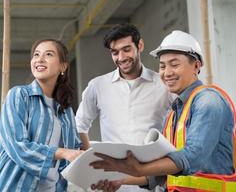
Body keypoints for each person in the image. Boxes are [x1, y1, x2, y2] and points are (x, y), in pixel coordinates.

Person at [89, 30, 236, 191]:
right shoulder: (173, 113)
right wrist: (120, 180)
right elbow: (164, 173)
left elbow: (193, 156)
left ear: (196, 65)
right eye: (162, 66)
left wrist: (140, 168)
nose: (167, 73)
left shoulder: (208, 101)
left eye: (174, 64)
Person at [75, 23, 173, 191]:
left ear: (140, 45)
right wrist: (90, 159)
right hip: (112, 184)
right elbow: (79, 125)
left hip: (154, 183)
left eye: (126, 49)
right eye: (115, 52)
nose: (121, 57)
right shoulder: (98, 86)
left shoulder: (164, 84)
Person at [0, 39, 83, 192]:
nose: (39, 59)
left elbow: (75, 151)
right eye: (36, 55)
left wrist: (95, 170)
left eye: (48, 54)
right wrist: (62, 152)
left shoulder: (66, 110)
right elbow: (18, 145)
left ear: (63, 66)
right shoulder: (19, 95)